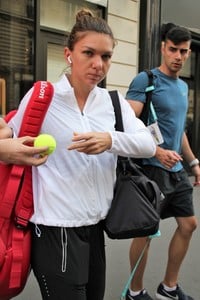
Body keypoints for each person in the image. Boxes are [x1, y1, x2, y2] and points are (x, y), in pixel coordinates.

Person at [8, 9, 156, 300]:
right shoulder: (43, 98)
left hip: (95, 227)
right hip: (55, 226)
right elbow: (10, 140)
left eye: (106, 56)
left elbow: (148, 144)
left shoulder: (113, 102)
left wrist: (109, 140)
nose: (98, 64)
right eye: (89, 53)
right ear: (69, 54)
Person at [125, 23, 200, 300]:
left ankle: (168, 288)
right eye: (173, 50)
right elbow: (128, 126)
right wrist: (156, 152)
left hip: (178, 170)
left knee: (189, 224)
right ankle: (135, 291)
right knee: (145, 233)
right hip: (151, 170)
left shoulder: (182, 86)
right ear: (162, 48)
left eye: (184, 51)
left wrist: (193, 162)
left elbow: (178, 131)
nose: (178, 56)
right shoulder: (145, 81)